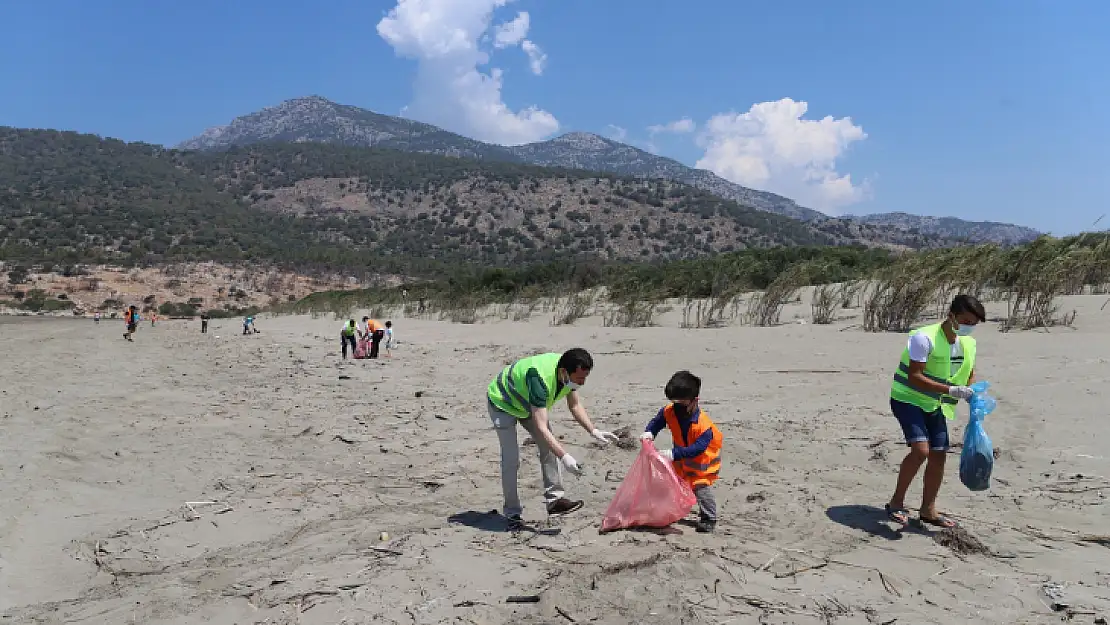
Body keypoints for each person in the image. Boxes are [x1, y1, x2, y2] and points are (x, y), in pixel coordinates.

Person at [486, 348, 619, 527]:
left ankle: (555, 501)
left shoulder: (567, 371)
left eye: (585, 378)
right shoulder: (540, 379)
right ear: (564, 372)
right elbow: (541, 427)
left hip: (527, 403)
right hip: (502, 401)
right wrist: (564, 456)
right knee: (511, 459)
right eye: (579, 378)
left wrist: (593, 430)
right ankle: (512, 513)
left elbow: (575, 405)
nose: (582, 382)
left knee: (548, 449)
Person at [886, 294, 986, 529]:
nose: (969, 327)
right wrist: (952, 390)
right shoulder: (924, 337)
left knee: (939, 454)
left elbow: (968, 372)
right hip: (908, 399)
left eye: (974, 324)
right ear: (952, 315)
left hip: (936, 404)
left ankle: (928, 510)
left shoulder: (968, 343)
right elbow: (915, 375)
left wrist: (972, 395)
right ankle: (896, 503)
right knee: (921, 451)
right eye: (965, 321)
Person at [641, 370, 723, 533]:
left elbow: (698, 448)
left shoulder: (703, 426)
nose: (677, 407)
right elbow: (657, 422)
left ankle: (709, 518)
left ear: (695, 401)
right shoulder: (669, 411)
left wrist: (673, 454)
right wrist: (650, 431)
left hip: (701, 466)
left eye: (682, 403)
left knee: (701, 490)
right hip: (681, 463)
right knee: (674, 485)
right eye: (674, 402)